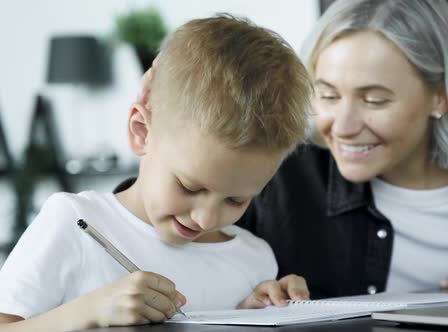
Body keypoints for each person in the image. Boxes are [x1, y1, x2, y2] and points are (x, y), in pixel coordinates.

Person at [0, 15, 312, 331]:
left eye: (235, 200)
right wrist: (87, 312)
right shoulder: (74, 222)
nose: (205, 218)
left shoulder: (254, 259)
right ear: (140, 132)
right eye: (190, 187)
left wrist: (251, 313)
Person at [237, 0, 448, 298]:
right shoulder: (277, 172)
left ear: (440, 97)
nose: (343, 127)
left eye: (374, 100)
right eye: (328, 95)